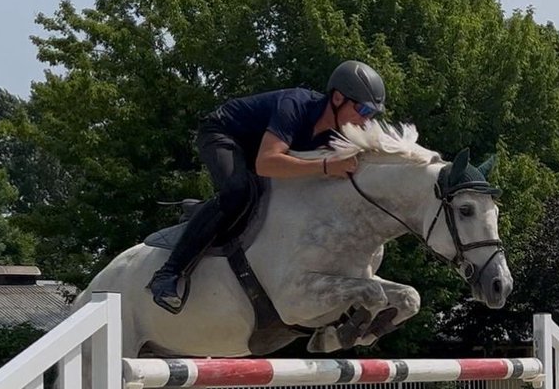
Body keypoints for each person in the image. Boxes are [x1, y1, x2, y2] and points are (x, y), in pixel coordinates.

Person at [148, 60, 387, 311]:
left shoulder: (337, 134)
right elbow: (266, 163)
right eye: (363, 110)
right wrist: (327, 166)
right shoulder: (294, 105)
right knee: (238, 192)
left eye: (372, 114)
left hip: (256, 151)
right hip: (223, 134)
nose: (365, 120)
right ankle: (168, 274)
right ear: (338, 98)